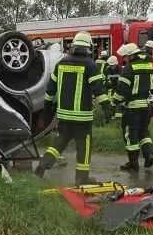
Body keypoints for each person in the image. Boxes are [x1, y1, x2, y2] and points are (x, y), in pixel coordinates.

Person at [35, 31, 112, 185]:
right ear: (88, 47)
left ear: (74, 46)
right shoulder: (90, 65)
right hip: (82, 117)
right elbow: (98, 89)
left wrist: (47, 109)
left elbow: (50, 89)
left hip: (64, 116)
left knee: (59, 142)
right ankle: (82, 178)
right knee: (84, 146)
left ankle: (42, 166)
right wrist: (107, 107)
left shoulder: (61, 64)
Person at [113, 43, 153, 173]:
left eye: (125, 57)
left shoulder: (129, 68)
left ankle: (133, 163)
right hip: (147, 106)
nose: (124, 59)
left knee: (130, 135)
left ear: (131, 55)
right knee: (144, 132)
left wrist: (113, 101)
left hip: (132, 108)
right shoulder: (149, 66)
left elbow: (122, 90)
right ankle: (149, 154)